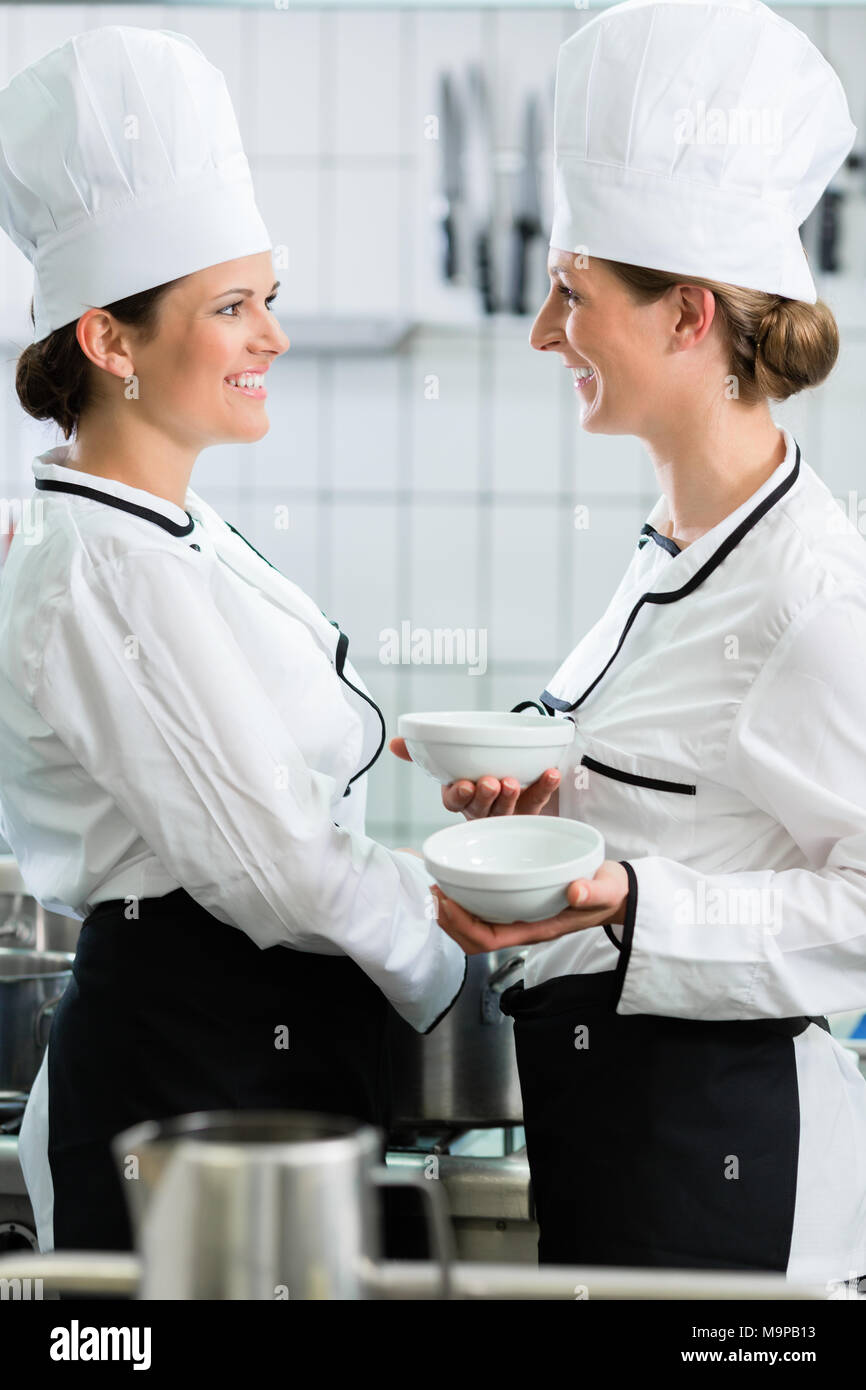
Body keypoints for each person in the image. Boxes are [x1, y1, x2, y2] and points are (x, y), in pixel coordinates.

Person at [396, 0, 866, 1289]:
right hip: (614, 1135)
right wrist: (559, 805)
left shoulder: (811, 594)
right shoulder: (672, 539)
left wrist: (634, 900)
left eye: (569, 294)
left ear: (686, 317)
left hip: (724, 1165)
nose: (545, 333)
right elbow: (698, 791)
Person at [0, 25, 466, 1254]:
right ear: (110, 341)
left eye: (270, 298)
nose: (272, 336)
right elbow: (278, 867)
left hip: (254, 1065)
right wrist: (450, 960)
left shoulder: (166, 532)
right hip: (186, 1084)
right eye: (232, 306)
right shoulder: (105, 567)